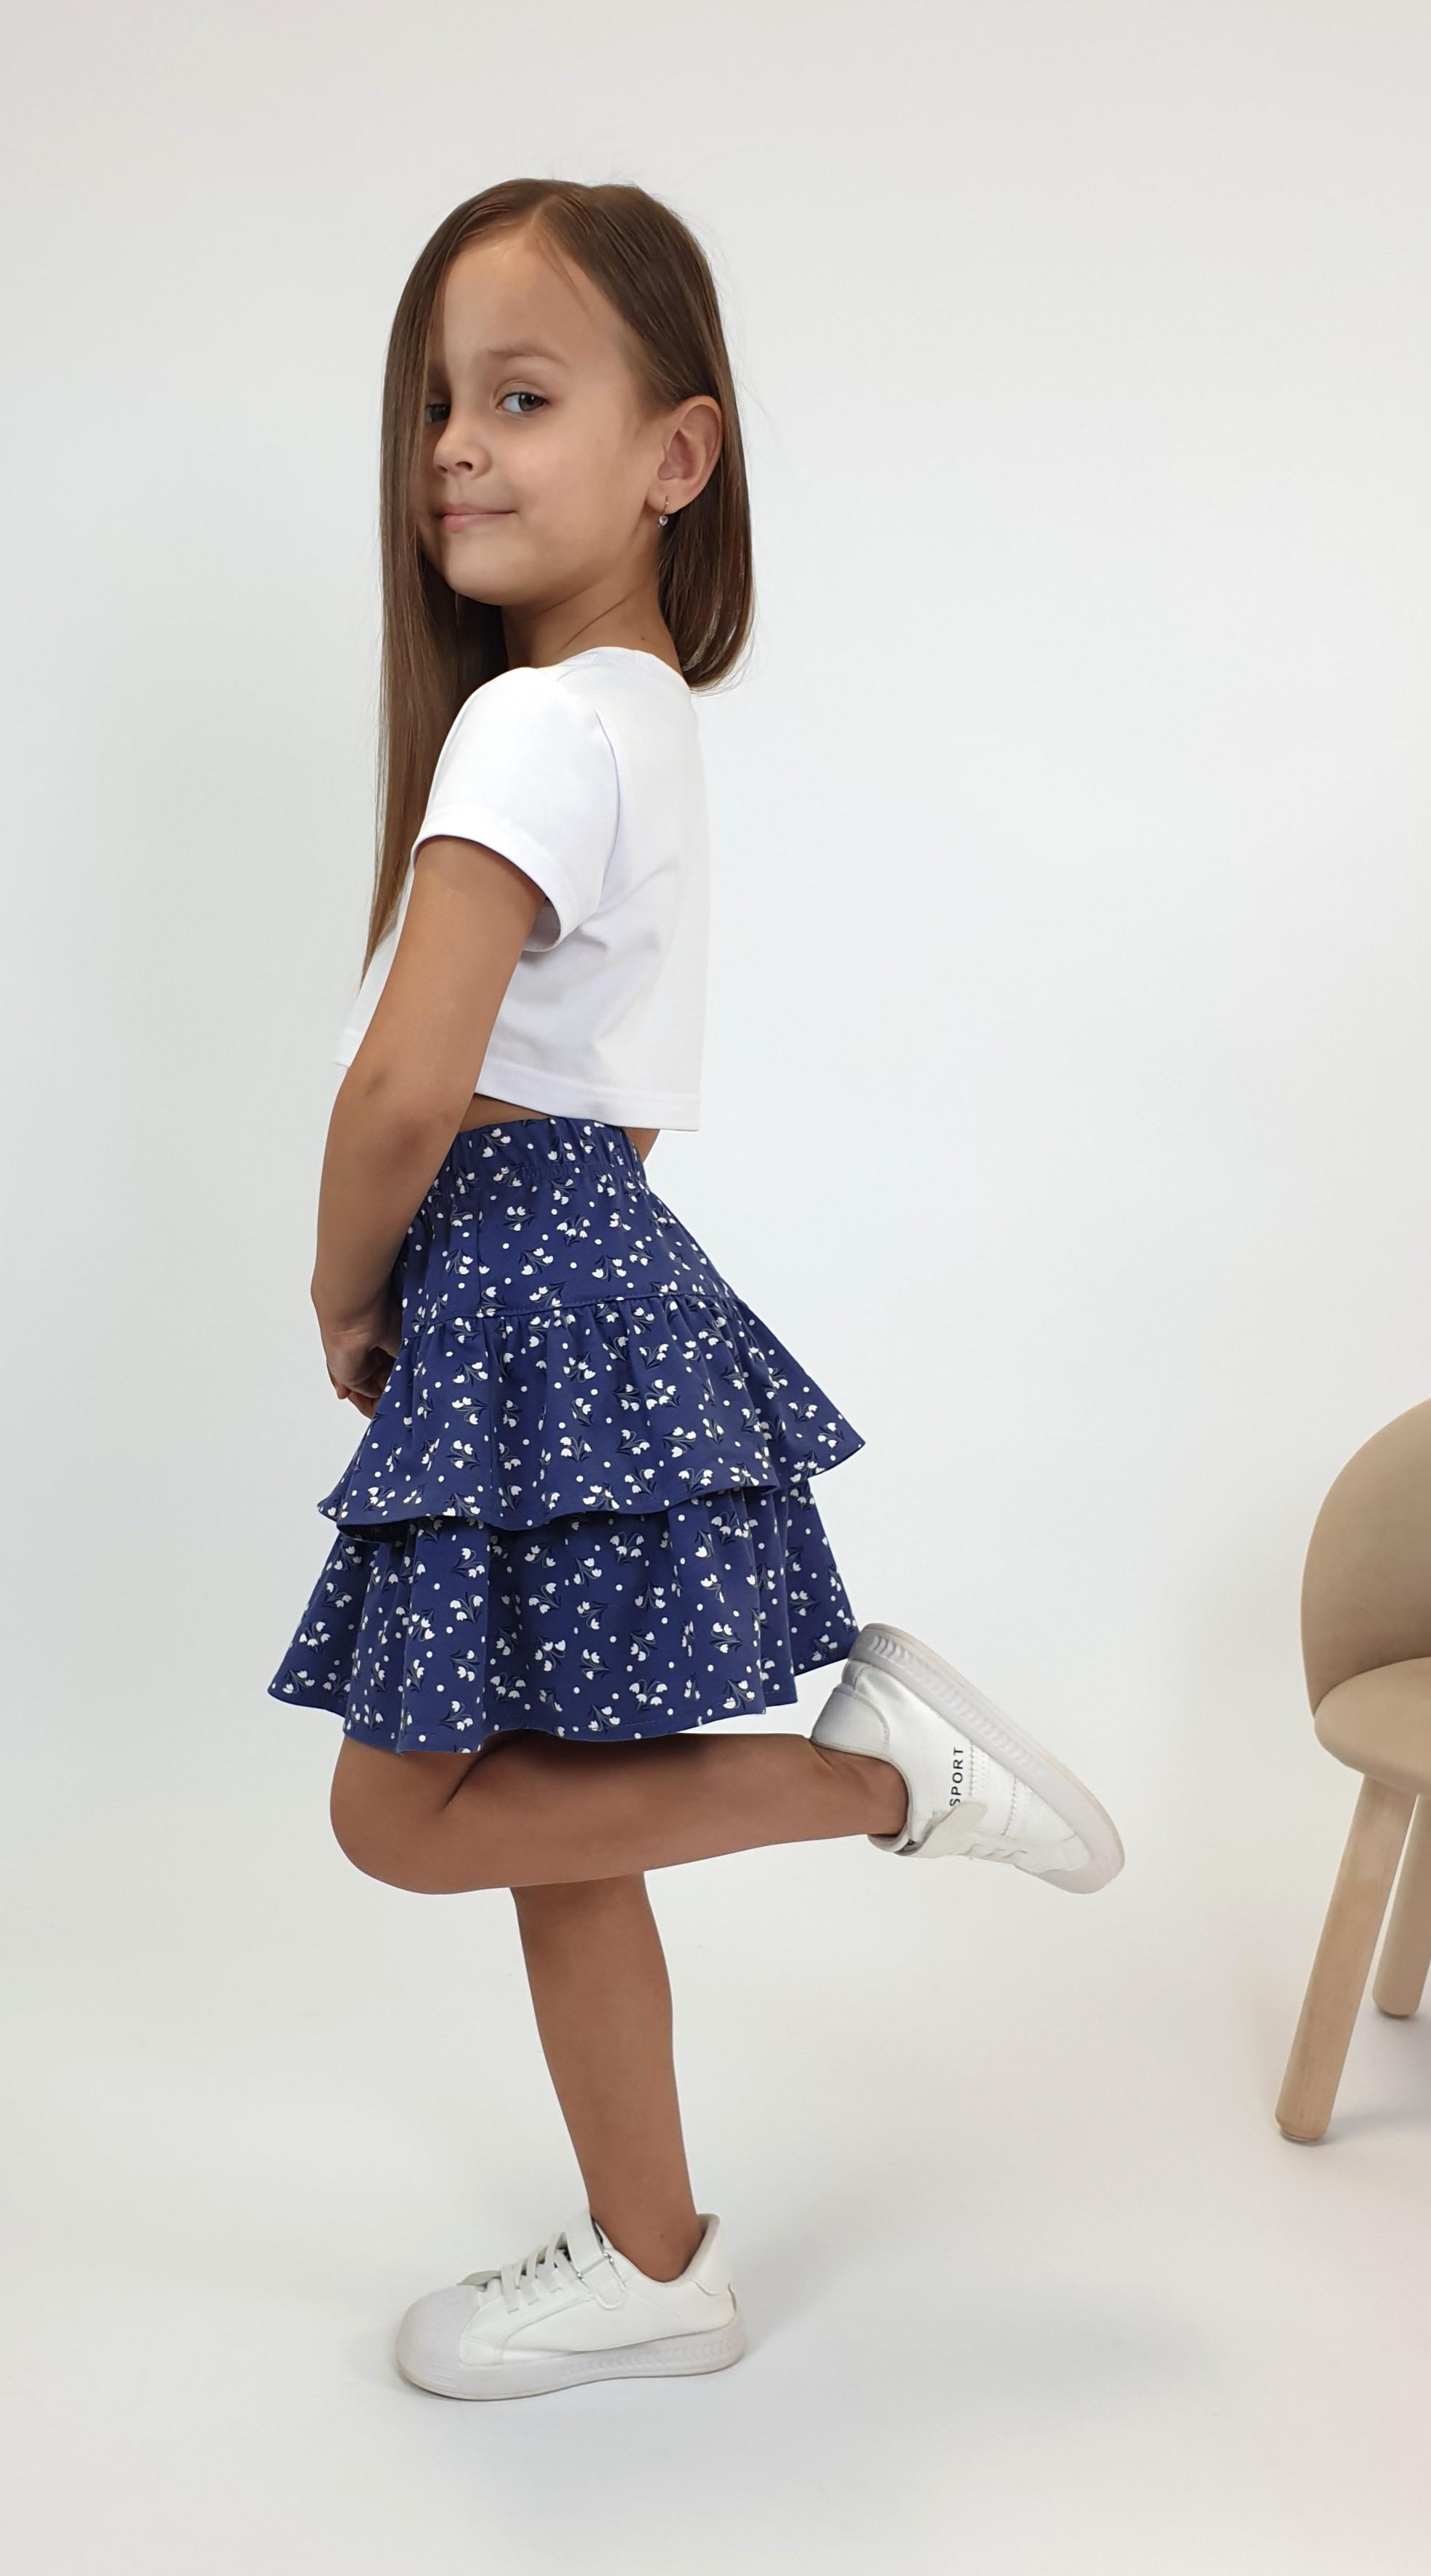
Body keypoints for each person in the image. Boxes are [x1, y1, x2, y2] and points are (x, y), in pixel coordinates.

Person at [266, 177, 1123, 2402]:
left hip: (510, 1258)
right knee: (556, 1808)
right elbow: (619, 1095)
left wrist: (350, 1289)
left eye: (521, 397)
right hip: (592, 1247)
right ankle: (656, 2262)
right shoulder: (637, 717)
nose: (458, 447)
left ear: (677, 453)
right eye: (437, 405)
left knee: (399, 1810)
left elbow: (405, 1086)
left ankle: (882, 1786)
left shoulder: (532, 729)